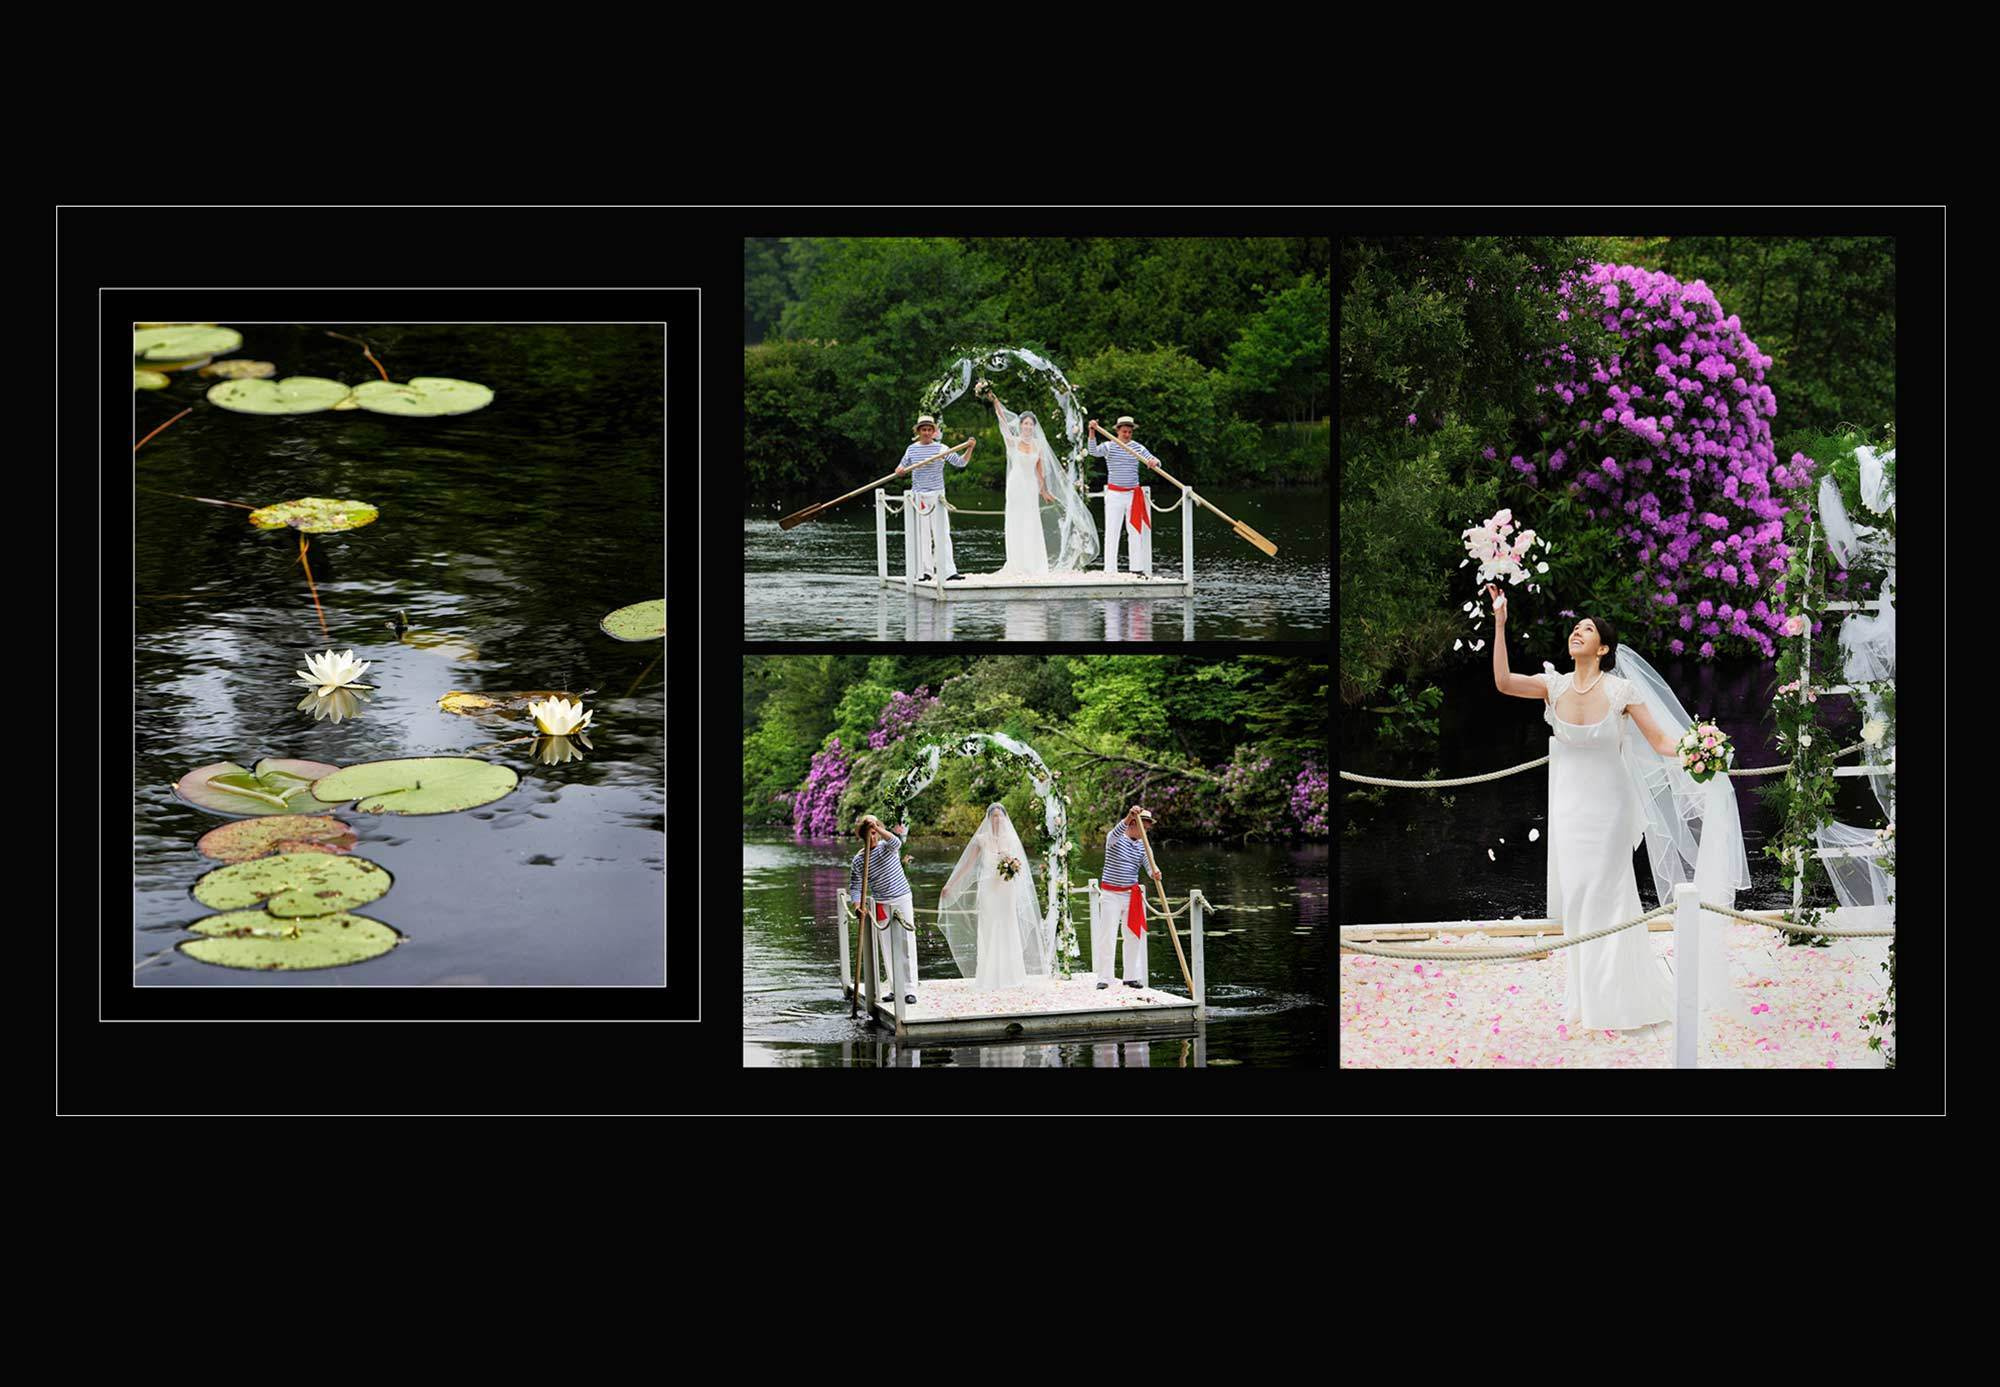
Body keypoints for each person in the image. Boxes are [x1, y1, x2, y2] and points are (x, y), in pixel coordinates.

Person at [1487, 584, 1754, 1031]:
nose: (1576, 632)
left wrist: (1701, 749)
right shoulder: (1553, 686)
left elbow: (1661, 741)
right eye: (1575, 628)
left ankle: (1612, 1001)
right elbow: (1503, 682)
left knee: (1607, 894)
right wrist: (1500, 623)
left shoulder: (1620, 691)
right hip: (1569, 809)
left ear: (1603, 648)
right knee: (1578, 896)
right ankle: (1586, 998)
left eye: (1587, 629)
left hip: (1609, 809)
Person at [980, 384, 1098, 575]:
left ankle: (1033, 563)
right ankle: (1017, 563)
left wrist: (1044, 490)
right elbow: (1003, 422)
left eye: (1030, 424)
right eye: (1025, 423)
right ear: (1020, 426)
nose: (1027, 427)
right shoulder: (1013, 442)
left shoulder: (1037, 445)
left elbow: (1039, 470)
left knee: (1031, 521)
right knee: (1016, 520)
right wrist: (995, 402)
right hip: (1016, 485)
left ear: (1034, 427)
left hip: (1030, 486)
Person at [937, 803, 1048, 991]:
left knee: (1008, 927)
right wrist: (951, 884)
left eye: (1000, 816)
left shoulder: (1010, 839)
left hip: (1007, 889)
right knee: (989, 929)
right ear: (988, 818)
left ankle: (1011, 975)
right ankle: (989, 976)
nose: (997, 819)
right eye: (994, 816)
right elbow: (968, 865)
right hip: (988, 890)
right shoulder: (981, 840)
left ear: (1005, 818)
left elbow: (1020, 866)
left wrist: (1013, 867)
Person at [847, 813, 917, 1006]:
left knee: (906, 943)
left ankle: (910, 990)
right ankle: (895, 988)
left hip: (901, 898)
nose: (872, 837)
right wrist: (857, 907)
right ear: (862, 835)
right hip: (881, 903)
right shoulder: (859, 860)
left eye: (874, 832)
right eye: (868, 833)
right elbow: (855, 886)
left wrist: (876, 827)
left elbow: (897, 842)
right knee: (887, 946)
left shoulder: (887, 847)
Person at [896, 416, 974, 584]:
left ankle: (948, 571)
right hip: (919, 497)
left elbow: (961, 463)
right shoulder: (911, 449)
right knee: (923, 535)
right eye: (923, 430)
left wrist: (969, 448)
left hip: (937, 496)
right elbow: (900, 467)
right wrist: (900, 470)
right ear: (918, 432)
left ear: (934, 432)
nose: (926, 433)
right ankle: (926, 571)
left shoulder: (941, 448)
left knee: (942, 534)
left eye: (929, 430)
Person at [1086, 415, 1160, 578]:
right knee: (1112, 531)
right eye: (1124, 431)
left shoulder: (1137, 447)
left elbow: (1154, 460)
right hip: (1114, 494)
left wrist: (1154, 462)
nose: (1127, 434)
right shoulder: (1110, 445)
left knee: (1135, 531)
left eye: (1129, 432)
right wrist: (1092, 431)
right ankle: (1110, 570)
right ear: (1118, 431)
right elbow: (1093, 451)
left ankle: (1136, 569)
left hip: (1133, 495)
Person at [1095, 805, 1160, 989]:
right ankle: (1104, 978)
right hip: (1111, 895)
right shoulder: (1115, 840)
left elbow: (1150, 866)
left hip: (1131, 895)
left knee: (1133, 936)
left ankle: (1130, 976)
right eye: (1143, 828)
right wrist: (1128, 816)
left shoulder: (1143, 846)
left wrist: (1155, 872)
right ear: (1133, 824)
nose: (1145, 832)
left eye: (1147, 829)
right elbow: (1113, 834)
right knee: (1107, 936)